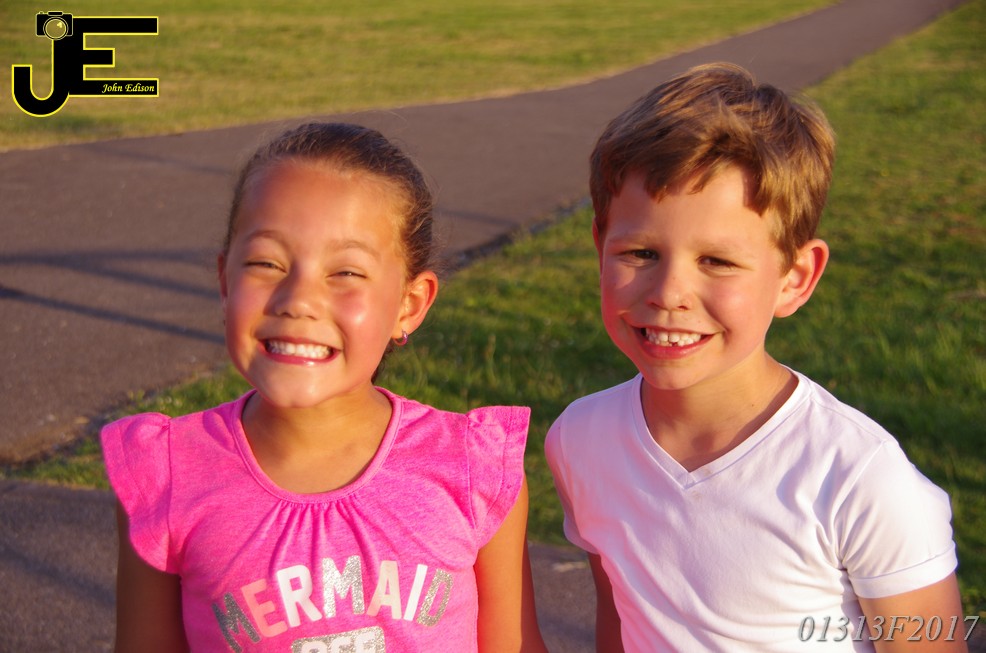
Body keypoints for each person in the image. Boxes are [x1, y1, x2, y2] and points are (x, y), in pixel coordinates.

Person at [545, 63, 966, 652]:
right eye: (641, 253)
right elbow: (620, 614)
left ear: (795, 278)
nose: (669, 293)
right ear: (599, 247)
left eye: (717, 261)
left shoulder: (858, 478)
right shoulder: (580, 439)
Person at [103, 122, 548, 653]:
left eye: (346, 273)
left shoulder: (472, 468)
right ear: (225, 282)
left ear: (409, 305)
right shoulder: (166, 475)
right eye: (266, 263)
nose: (298, 299)